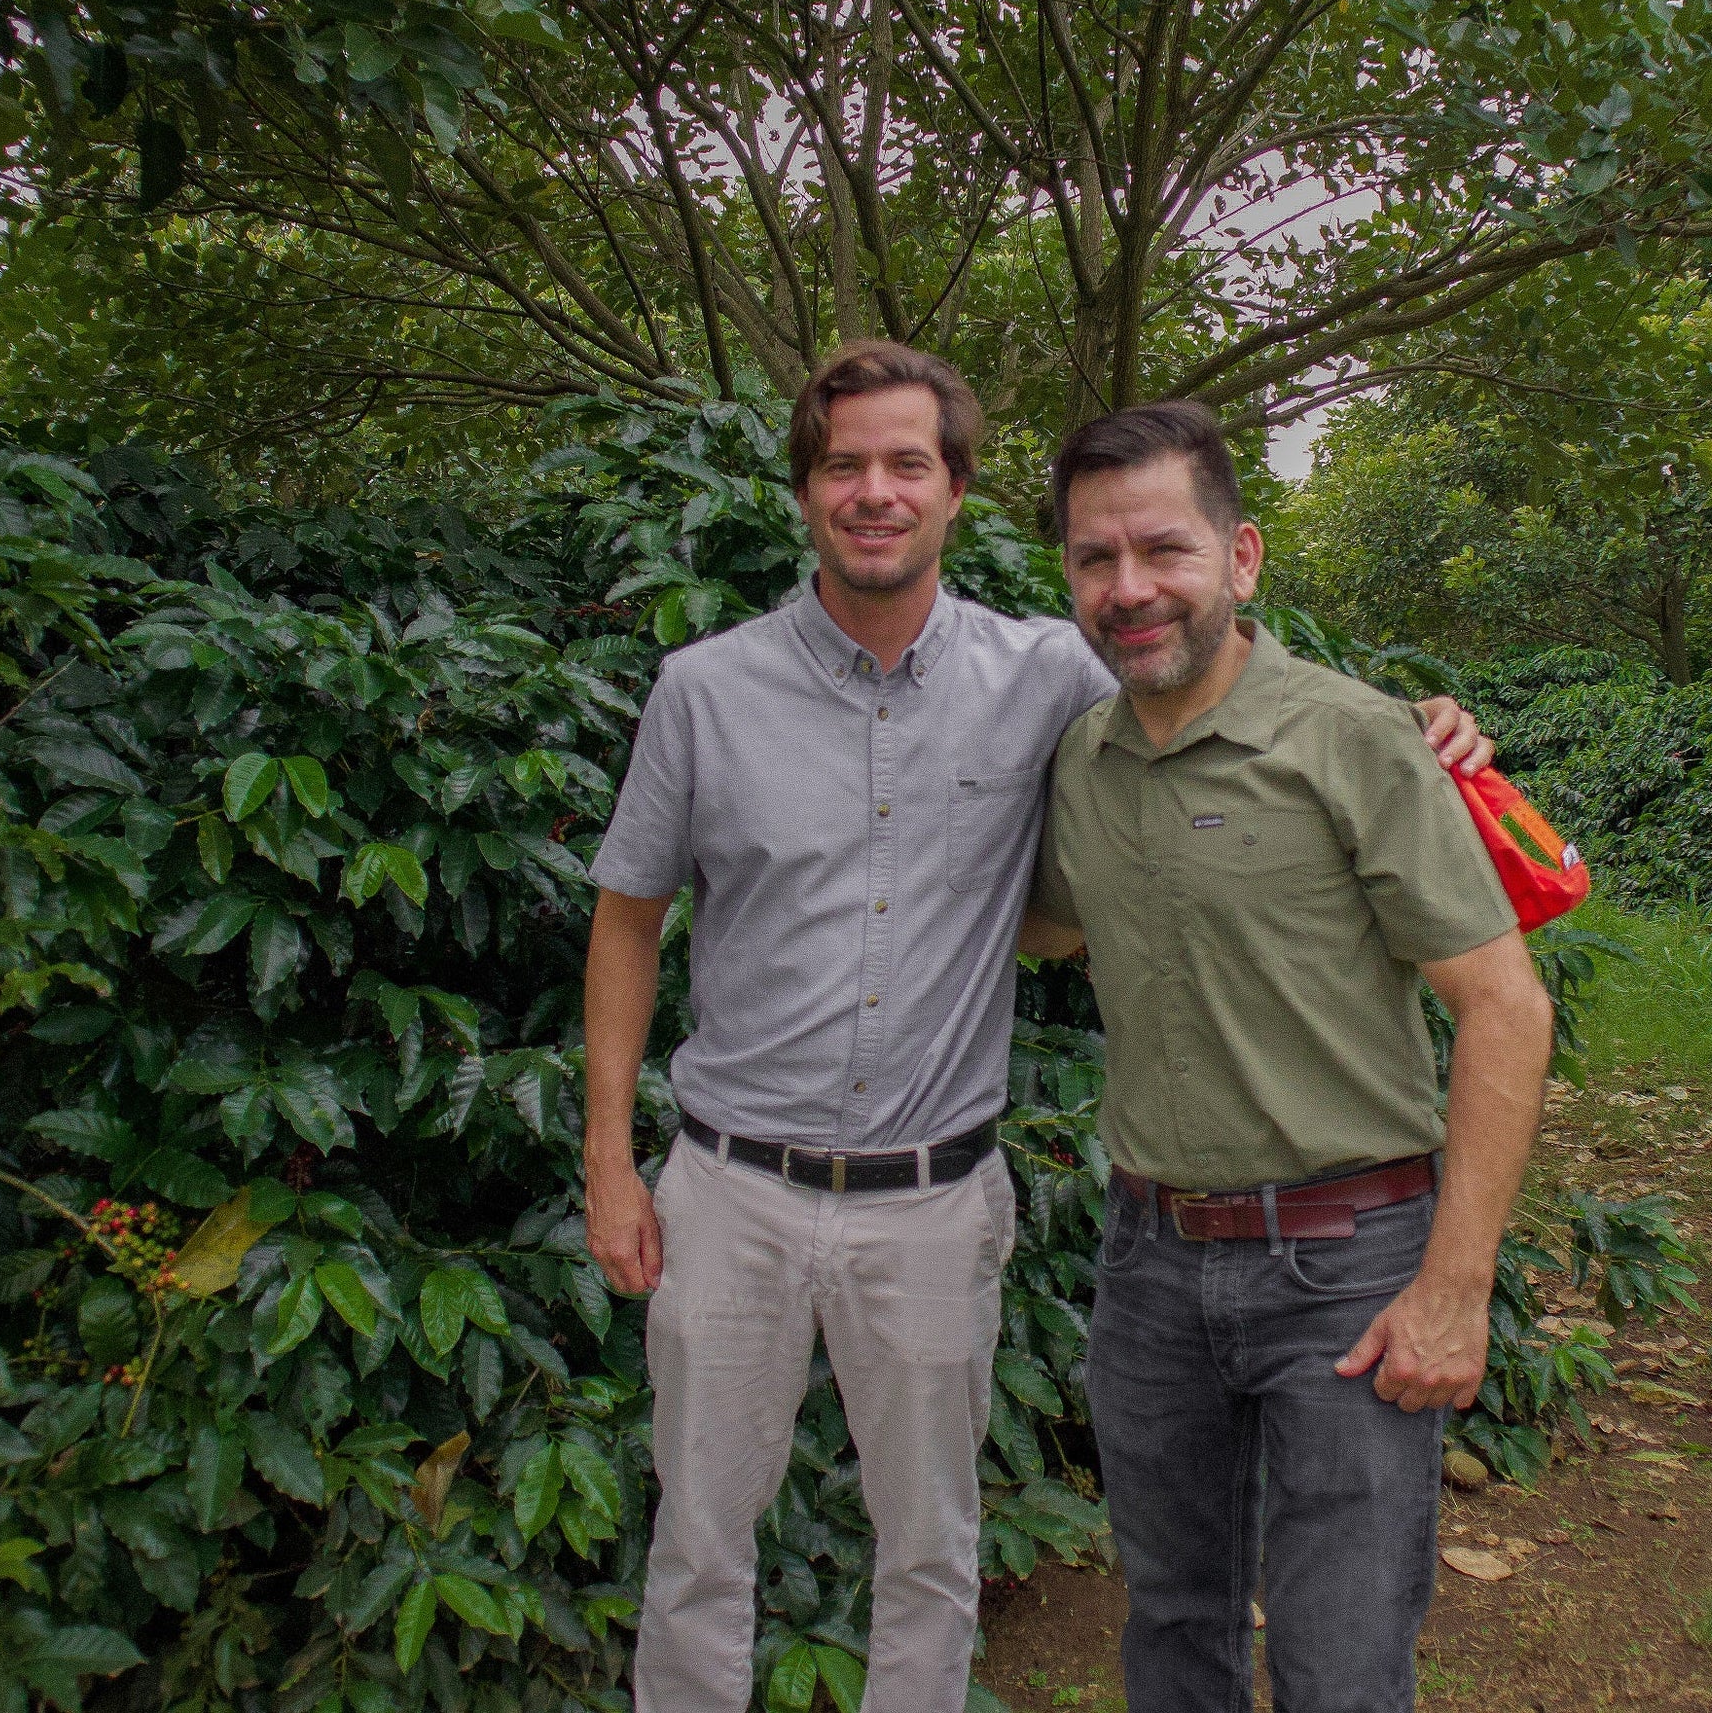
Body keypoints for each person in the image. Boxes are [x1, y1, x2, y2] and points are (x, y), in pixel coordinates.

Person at [581, 345, 1491, 1713]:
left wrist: (1407, 726)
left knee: (933, 1554)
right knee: (699, 1545)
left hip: (937, 1199)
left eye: (906, 464)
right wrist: (609, 1159)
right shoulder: (704, 688)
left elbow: (1213, 669)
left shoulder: (1051, 672)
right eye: (843, 464)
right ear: (805, 490)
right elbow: (626, 918)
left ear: (956, 490)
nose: (873, 491)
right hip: (728, 1189)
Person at [1023, 400, 1555, 1713]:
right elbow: (1032, 925)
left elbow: (1504, 1007)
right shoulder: (1077, 763)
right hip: (1149, 1265)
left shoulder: (1354, 738)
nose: (1130, 586)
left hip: (1348, 1268)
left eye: (1164, 548)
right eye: (1095, 558)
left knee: (1339, 1660)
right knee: (1172, 1628)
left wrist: (1454, 1284)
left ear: (1241, 556)